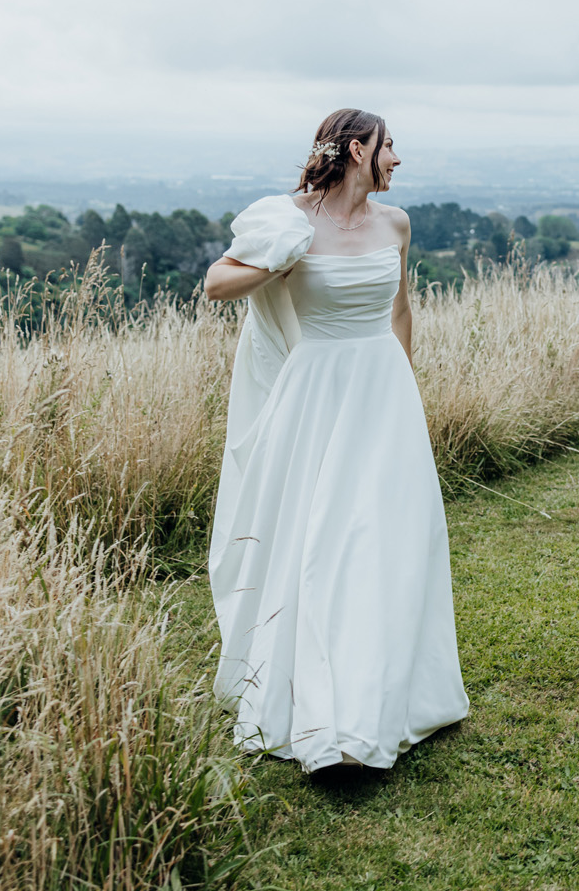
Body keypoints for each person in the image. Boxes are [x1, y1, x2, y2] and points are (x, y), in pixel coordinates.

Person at [203, 108, 468, 771]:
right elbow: (216, 285)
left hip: (382, 395)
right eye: (388, 147)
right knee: (320, 539)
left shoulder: (395, 224)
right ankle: (321, 708)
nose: (397, 159)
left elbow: (399, 310)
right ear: (356, 149)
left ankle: (385, 696)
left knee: (382, 541)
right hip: (315, 394)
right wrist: (278, 261)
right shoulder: (287, 220)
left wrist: (404, 394)